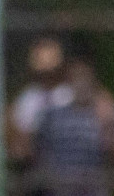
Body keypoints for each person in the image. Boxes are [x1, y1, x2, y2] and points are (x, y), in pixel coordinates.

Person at [29, 61, 114, 196]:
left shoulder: (102, 117)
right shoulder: (53, 116)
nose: (81, 85)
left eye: (86, 80)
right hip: (58, 194)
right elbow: (36, 150)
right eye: (77, 79)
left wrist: (109, 125)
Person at [8, 36, 72, 169]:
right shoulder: (28, 98)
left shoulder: (69, 94)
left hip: (68, 163)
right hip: (36, 166)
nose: (47, 74)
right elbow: (19, 137)